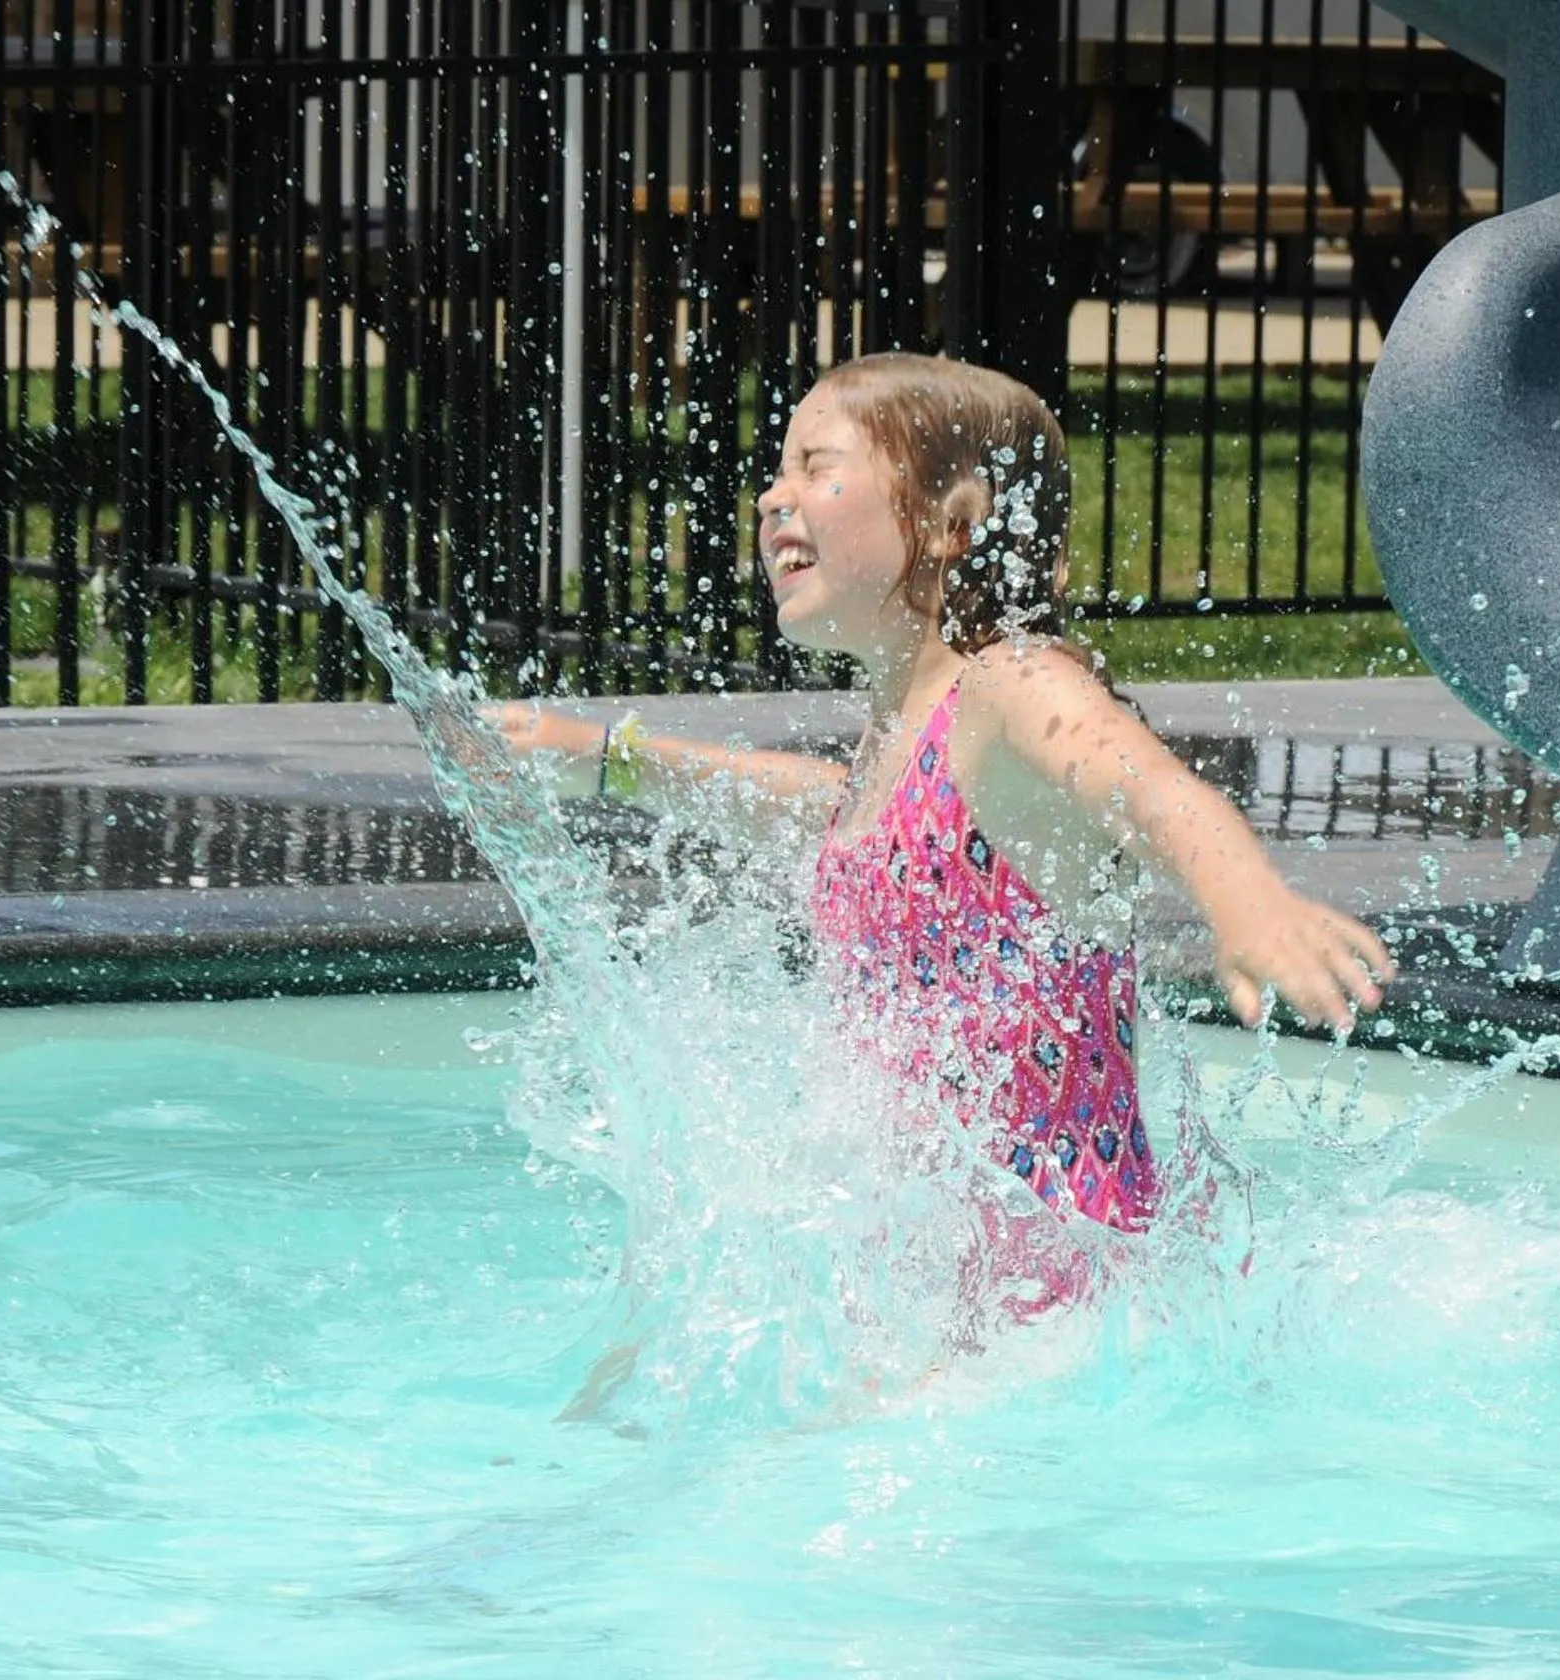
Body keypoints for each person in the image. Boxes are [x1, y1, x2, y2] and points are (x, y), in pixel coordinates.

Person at [490, 353, 1390, 1235]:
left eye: (817, 467)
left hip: (1052, 1277)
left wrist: (1248, 904)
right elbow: (835, 813)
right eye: (777, 473)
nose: (773, 497)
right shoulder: (906, 737)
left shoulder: (1013, 685)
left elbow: (1151, 789)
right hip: (926, 1265)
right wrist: (615, 759)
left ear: (951, 520)